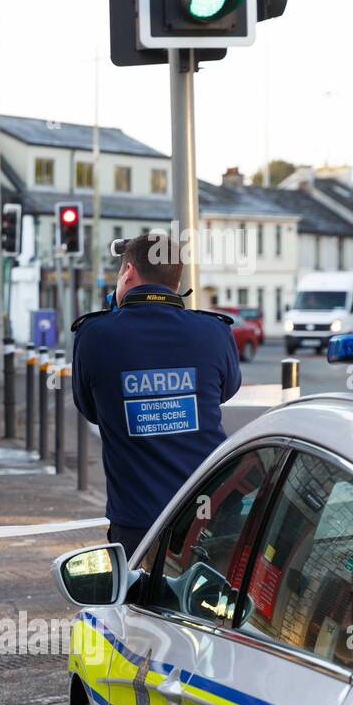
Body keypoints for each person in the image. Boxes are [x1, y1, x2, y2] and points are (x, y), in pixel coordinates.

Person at [71, 233, 242, 559]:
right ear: (176, 283)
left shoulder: (94, 336)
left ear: (129, 272)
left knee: (134, 608)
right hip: (210, 514)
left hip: (137, 523)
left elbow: (90, 409)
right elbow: (226, 390)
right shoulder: (214, 331)